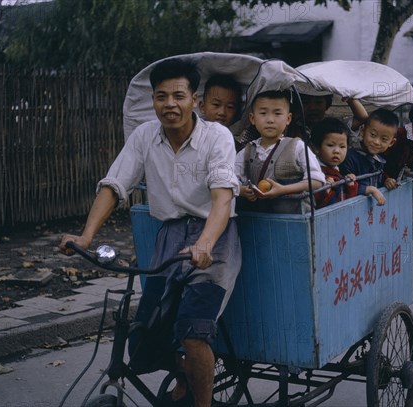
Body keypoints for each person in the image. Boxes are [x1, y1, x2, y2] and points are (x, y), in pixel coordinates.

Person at [58, 59, 241, 407]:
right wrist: (85, 238)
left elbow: (222, 198)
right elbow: (114, 185)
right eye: (161, 97)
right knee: (144, 341)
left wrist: (205, 243)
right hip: (169, 237)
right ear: (154, 101)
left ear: (194, 101)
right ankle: (187, 375)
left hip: (215, 240)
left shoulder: (217, 136)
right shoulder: (145, 135)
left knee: (193, 333)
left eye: (178, 96)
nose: (169, 104)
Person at [235, 89, 324, 214]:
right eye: (263, 113)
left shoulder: (297, 146)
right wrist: (243, 190)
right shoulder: (247, 151)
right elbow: (230, 180)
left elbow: (317, 181)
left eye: (277, 114)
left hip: (295, 221)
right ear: (252, 118)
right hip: (257, 222)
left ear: (288, 119)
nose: (270, 120)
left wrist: (283, 190)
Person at [340, 108, 400, 205]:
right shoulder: (349, 157)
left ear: (391, 142)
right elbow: (343, 187)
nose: (376, 142)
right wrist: (369, 190)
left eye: (384, 139)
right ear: (362, 131)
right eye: (373, 135)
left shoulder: (379, 159)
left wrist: (386, 180)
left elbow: (378, 176)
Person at [310, 117, 359, 209]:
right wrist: (325, 191)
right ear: (316, 148)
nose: (337, 151)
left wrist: (351, 186)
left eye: (342, 146)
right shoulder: (315, 174)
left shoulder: (338, 170)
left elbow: (348, 204)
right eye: (330, 145)